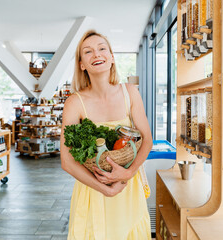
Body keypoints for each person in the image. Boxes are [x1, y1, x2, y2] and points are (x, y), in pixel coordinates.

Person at [60, 29, 153, 240]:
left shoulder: (130, 92)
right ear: (82, 64)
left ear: (111, 58)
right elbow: (67, 161)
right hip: (93, 190)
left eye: (102, 49)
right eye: (88, 51)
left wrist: (127, 174)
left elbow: (147, 140)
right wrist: (106, 189)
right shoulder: (74, 102)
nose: (97, 54)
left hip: (128, 187)